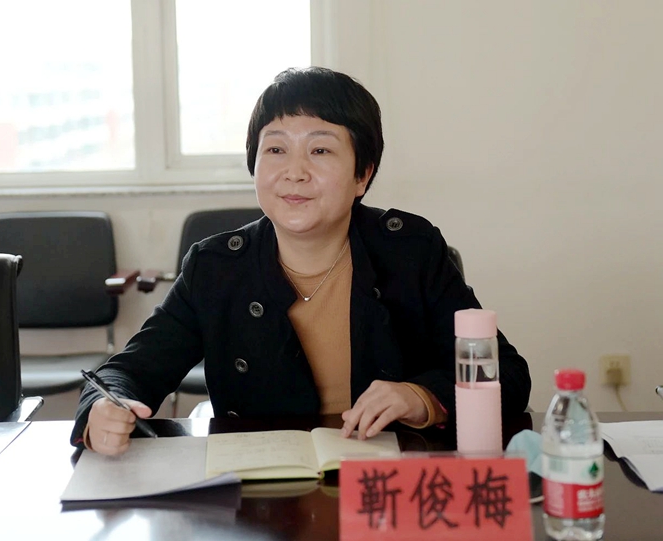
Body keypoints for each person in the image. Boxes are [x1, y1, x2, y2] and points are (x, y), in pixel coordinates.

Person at [71, 66, 531, 455]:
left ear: (362, 175)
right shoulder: (215, 268)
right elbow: (125, 373)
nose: (294, 172)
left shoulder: (411, 251)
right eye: (275, 150)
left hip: (384, 486)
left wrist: (421, 396)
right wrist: (103, 409)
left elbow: (506, 373)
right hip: (262, 490)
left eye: (320, 150)